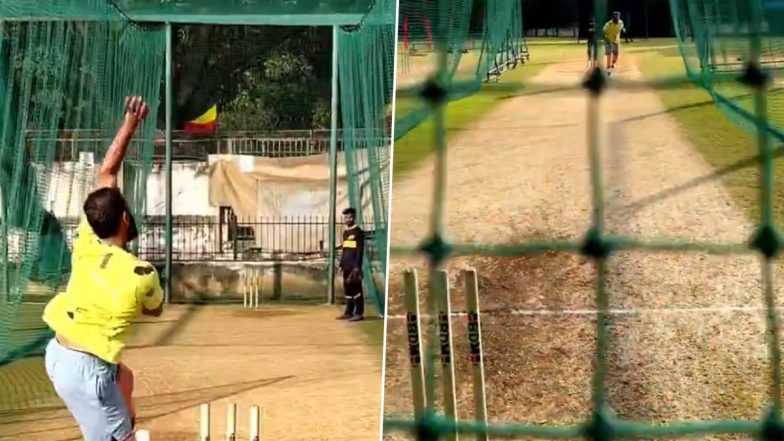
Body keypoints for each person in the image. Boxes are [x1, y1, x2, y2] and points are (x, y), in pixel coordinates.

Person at [41, 96, 163, 441]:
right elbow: (155, 311)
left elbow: (106, 171)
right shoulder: (141, 273)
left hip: (59, 354)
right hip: (86, 371)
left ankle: (122, 424)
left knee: (125, 379)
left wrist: (129, 123)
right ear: (125, 218)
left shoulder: (86, 237)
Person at [336, 207, 365, 322]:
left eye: (349, 217)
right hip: (346, 266)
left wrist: (357, 266)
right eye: (346, 217)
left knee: (356, 289)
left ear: (354, 218)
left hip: (354, 267)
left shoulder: (358, 232)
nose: (347, 219)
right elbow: (345, 250)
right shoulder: (346, 232)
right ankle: (348, 312)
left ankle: (358, 313)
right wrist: (341, 264)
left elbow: (359, 250)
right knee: (347, 288)